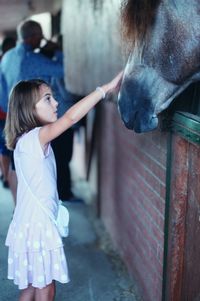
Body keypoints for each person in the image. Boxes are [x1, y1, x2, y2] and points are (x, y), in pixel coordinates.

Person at [4, 72, 122, 300]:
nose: (56, 102)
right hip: (37, 227)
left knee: (29, 288)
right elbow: (69, 118)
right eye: (48, 98)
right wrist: (104, 89)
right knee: (46, 289)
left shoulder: (24, 140)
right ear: (29, 108)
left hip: (27, 225)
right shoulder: (37, 137)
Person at [0, 20, 68, 201]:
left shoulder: (7, 57)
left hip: (12, 118)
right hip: (33, 121)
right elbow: (63, 70)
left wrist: (8, 113)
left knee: (16, 165)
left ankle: (18, 207)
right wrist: (58, 51)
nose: (42, 40)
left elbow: (2, 89)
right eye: (40, 36)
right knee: (41, 166)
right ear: (33, 37)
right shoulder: (33, 59)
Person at [0, 36, 16, 190]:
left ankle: (5, 177)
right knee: (6, 149)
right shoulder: (6, 63)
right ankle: (6, 177)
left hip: (6, 114)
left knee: (5, 149)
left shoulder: (6, 62)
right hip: (4, 114)